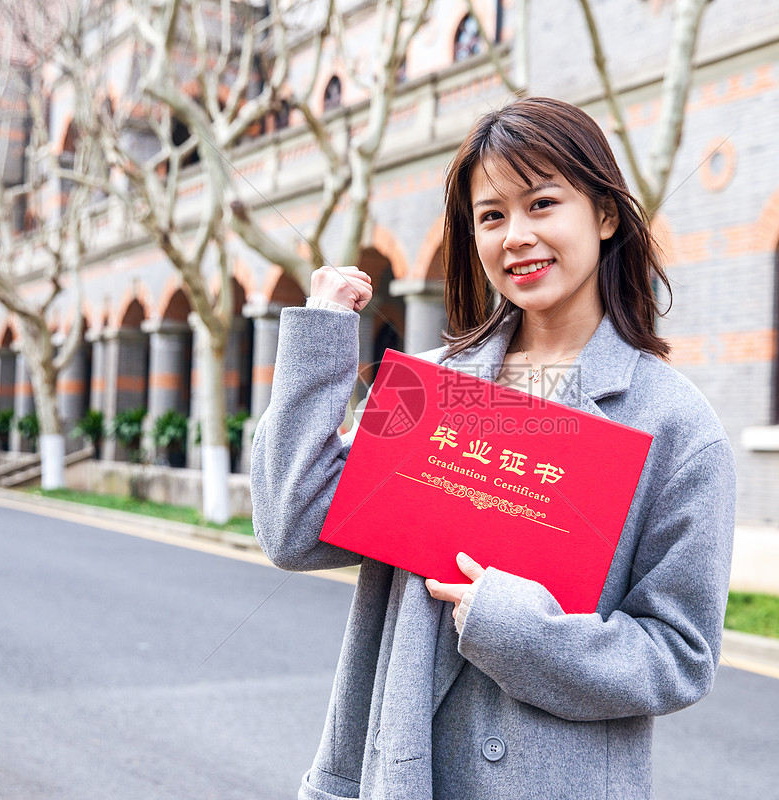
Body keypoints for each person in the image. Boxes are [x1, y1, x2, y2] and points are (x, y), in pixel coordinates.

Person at [251, 96, 736, 800]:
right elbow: (293, 529)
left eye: (541, 204)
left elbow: (679, 655)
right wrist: (319, 345)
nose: (515, 236)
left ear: (604, 216)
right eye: (491, 216)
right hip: (397, 776)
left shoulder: (676, 427)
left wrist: (516, 627)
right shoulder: (431, 392)